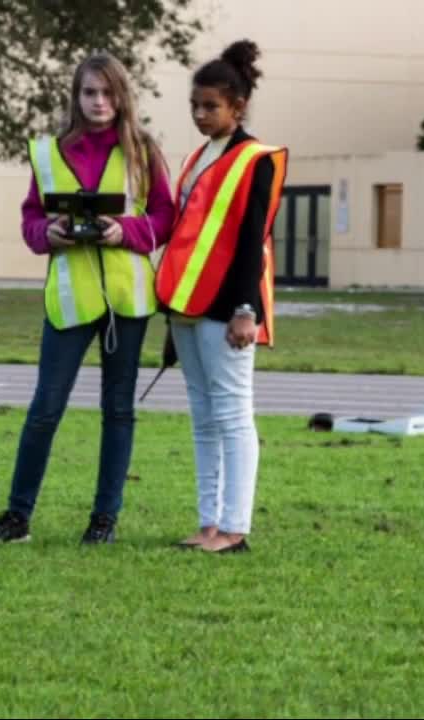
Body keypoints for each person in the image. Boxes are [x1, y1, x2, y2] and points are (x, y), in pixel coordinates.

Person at [0, 52, 175, 544]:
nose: (99, 102)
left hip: (127, 302)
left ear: (122, 96)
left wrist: (123, 231)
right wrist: (50, 233)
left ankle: (103, 521)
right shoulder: (47, 153)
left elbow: (167, 218)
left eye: (108, 93)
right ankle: (17, 517)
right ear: (76, 96)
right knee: (45, 409)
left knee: (119, 410)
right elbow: (29, 221)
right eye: (90, 93)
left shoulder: (144, 151)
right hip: (69, 300)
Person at [154, 40, 288, 554]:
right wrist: (170, 318)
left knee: (233, 417)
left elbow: (253, 238)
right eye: (195, 105)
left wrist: (246, 310)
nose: (200, 114)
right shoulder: (197, 157)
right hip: (186, 308)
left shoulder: (257, 160)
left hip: (228, 309)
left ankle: (235, 528)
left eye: (211, 105)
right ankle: (209, 522)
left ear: (239, 107)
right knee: (203, 418)